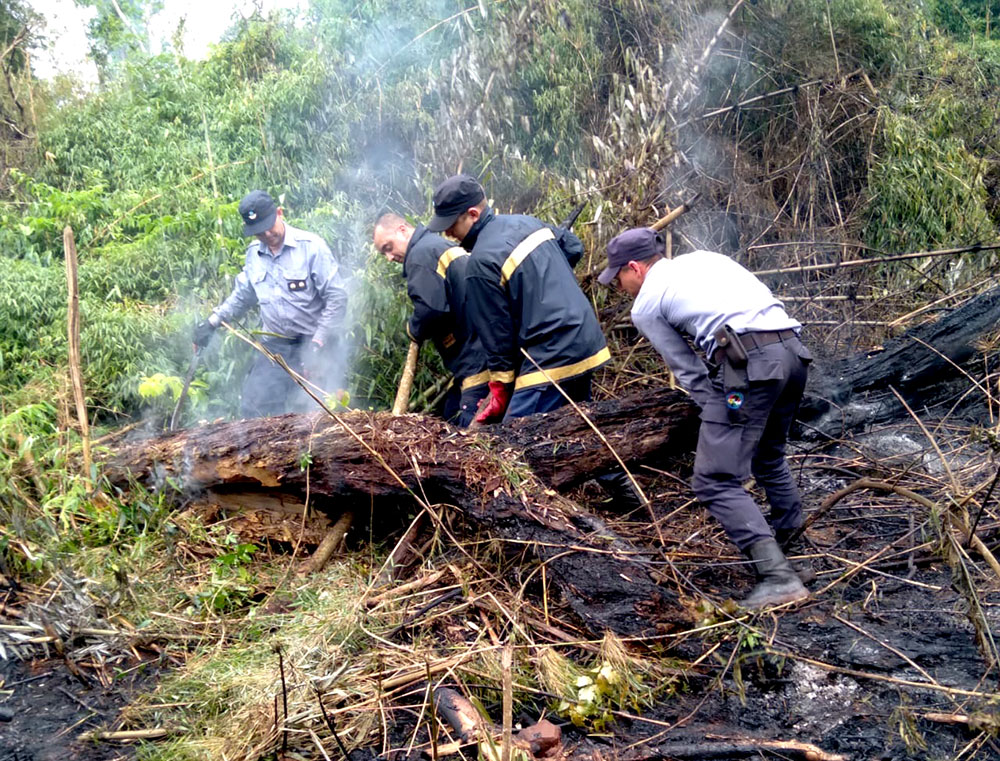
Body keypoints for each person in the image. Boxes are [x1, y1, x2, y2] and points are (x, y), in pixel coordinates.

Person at [598, 227, 813, 608]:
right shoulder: (706, 259)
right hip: (793, 356)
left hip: (752, 369)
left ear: (635, 268)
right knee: (768, 457)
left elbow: (689, 371)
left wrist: (716, 411)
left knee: (714, 479)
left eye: (618, 277)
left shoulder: (646, 304)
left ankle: (778, 577)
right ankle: (797, 557)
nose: (618, 286)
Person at [426, 174, 610, 423]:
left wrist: (500, 390)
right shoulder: (527, 222)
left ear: (473, 214)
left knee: (512, 439)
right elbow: (573, 247)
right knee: (571, 429)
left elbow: (498, 338)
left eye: (451, 224)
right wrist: (541, 280)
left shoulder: (480, 263)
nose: (448, 233)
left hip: (552, 354)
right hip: (587, 340)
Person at [193, 190, 348, 418]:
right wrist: (212, 322)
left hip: (316, 343)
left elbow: (337, 297)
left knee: (322, 412)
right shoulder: (254, 254)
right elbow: (242, 295)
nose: (266, 234)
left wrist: (317, 343)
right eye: (259, 232)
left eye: (268, 226)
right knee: (254, 407)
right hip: (277, 347)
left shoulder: (311, 247)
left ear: (279, 213)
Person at [372, 212, 489, 427]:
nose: (389, 257)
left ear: (402, 230)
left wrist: (413, 329)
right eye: (383, 253)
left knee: (470, 428)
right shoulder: (436, 245)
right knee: (451, 413)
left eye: (388, 247)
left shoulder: (420, 255)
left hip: (477, 358)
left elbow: (430, 309)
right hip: (480, 348)